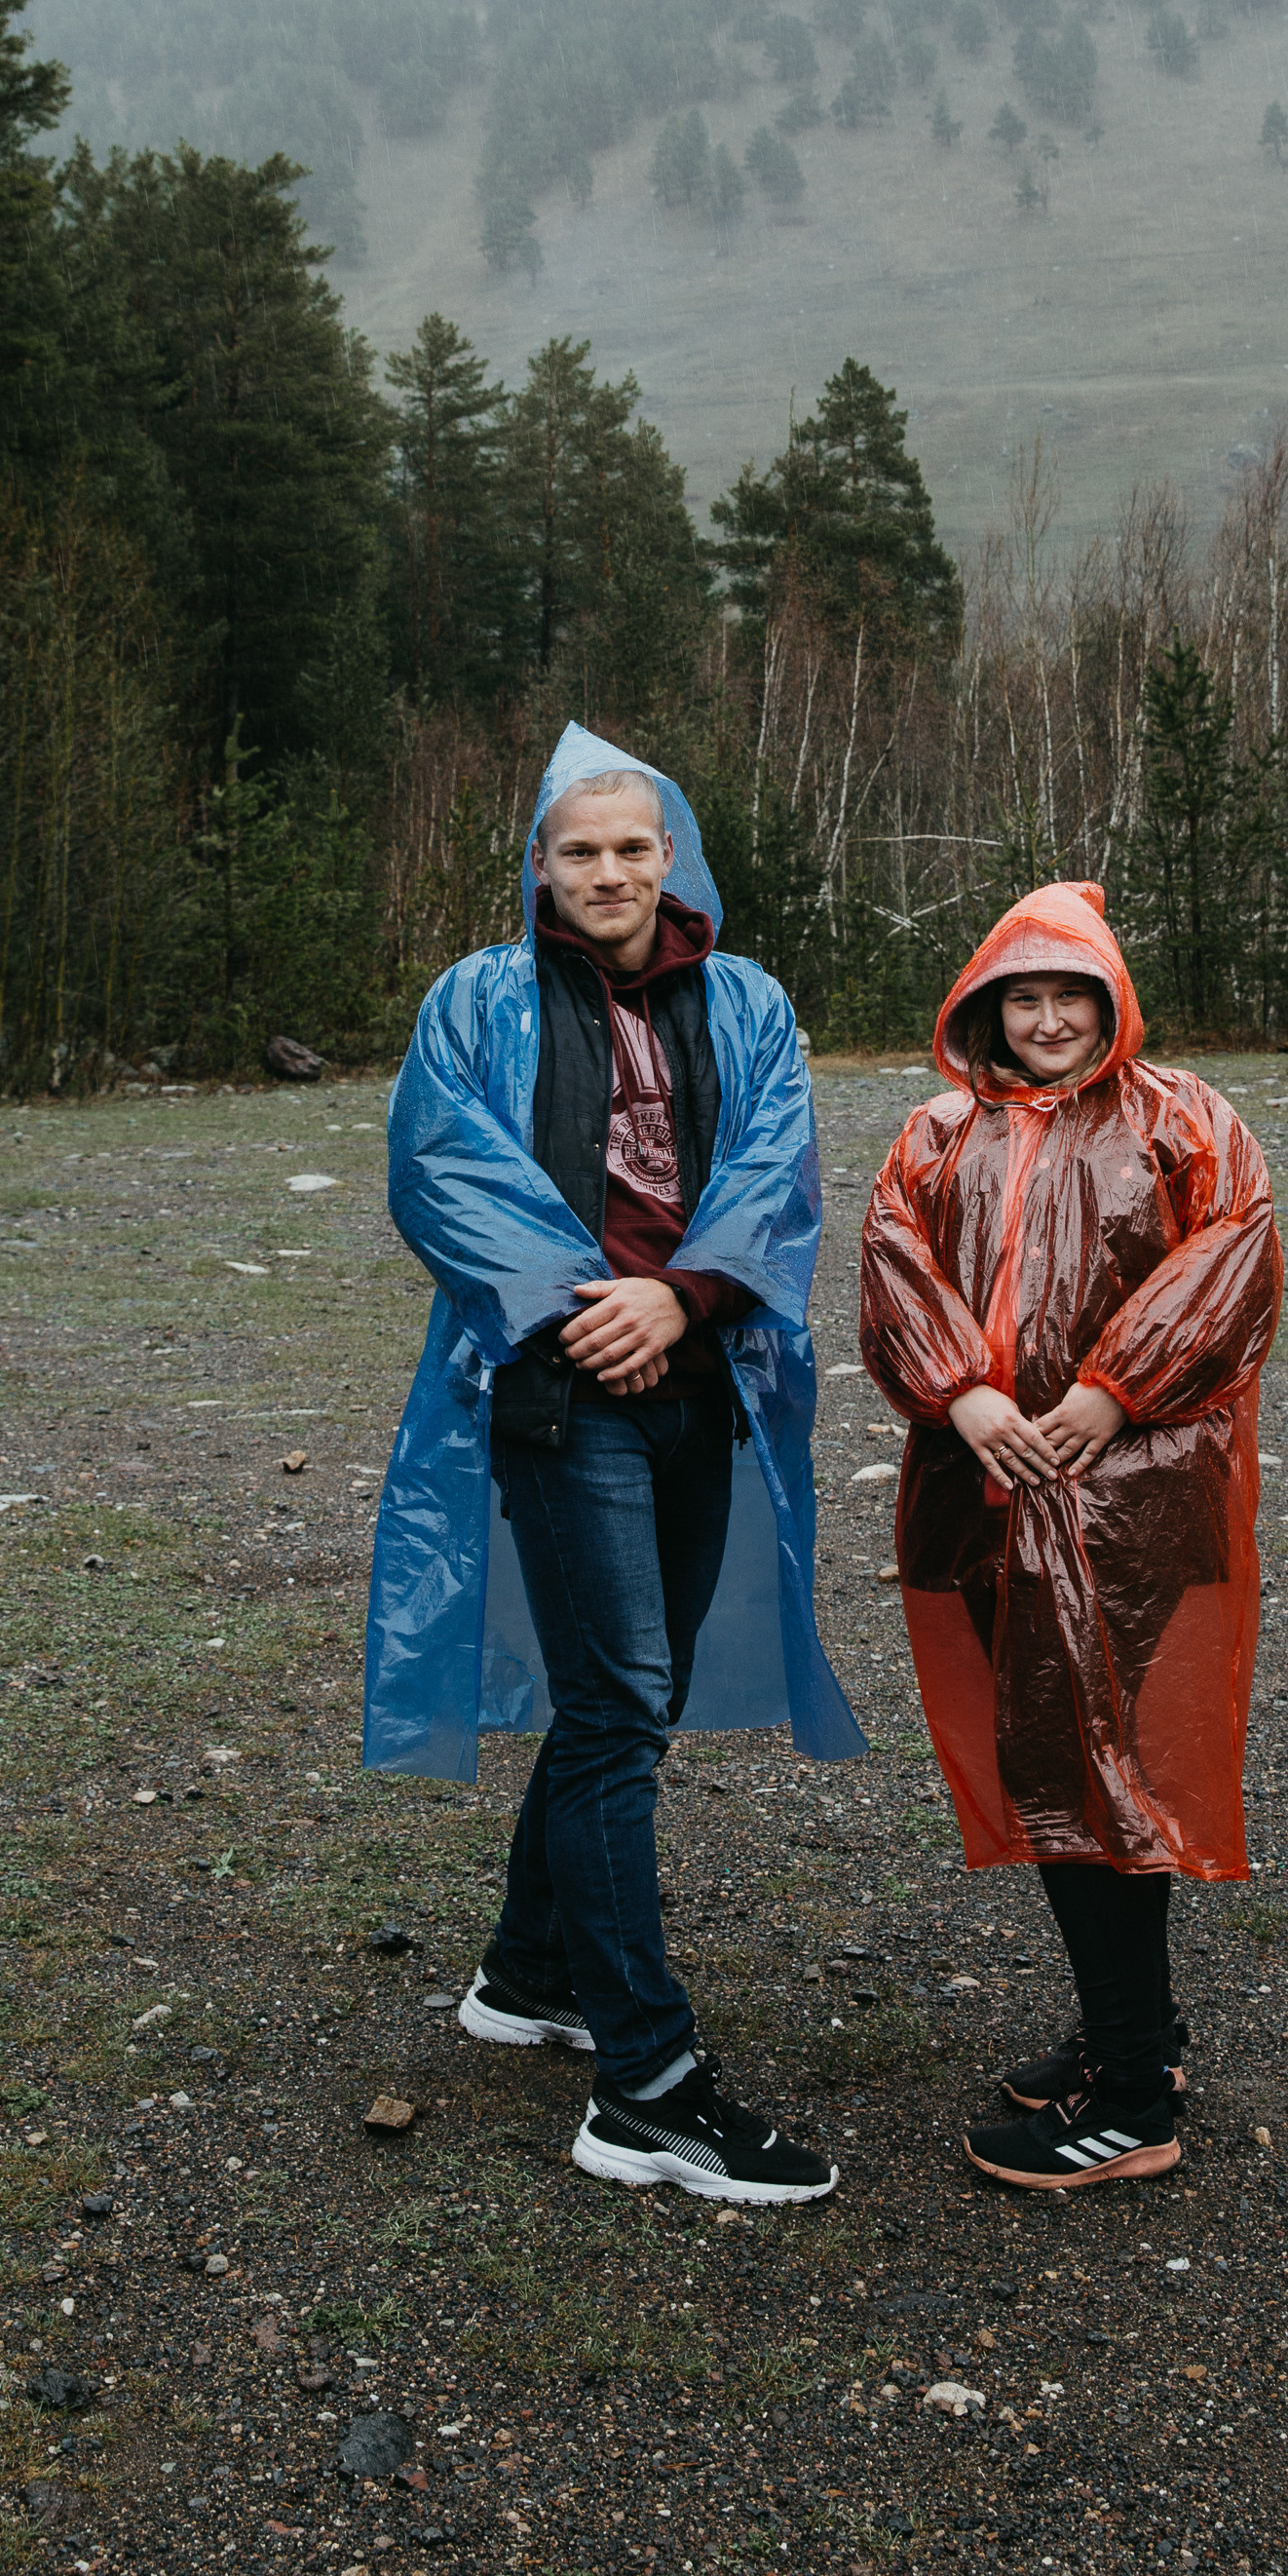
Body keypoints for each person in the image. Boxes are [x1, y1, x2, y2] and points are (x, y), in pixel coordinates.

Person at [364, 720, 860, 2206]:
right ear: (541, 864)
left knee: (609, 1700)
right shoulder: (479, 1000)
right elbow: (440, 1165)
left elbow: (779, 1163)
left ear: (672, 856)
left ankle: (528, 1973)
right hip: (557, 1388)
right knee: (621, 1711)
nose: (607, 871)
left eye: (632, 846)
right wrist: (599, 1310)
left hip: (701, 1385)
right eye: (578, 850)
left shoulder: (751, 1003)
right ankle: (646, 2086)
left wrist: (683, 1297)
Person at [857, 879, 1279, 2191]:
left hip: (1138, 1507)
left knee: (1110, 1774)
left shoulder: (1187, 1119)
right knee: (1057, 1757)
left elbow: (1233, 1260)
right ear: (981, 1007)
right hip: (984, 1496)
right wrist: (966, 1393)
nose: (1044, 1020)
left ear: (1111, 999)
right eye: (1020, 996)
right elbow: (891, 1262)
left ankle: (1134, 2099)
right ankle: (1131, 2033)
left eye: (1068, 994)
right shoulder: (939, 1132)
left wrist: (1108, 1394)